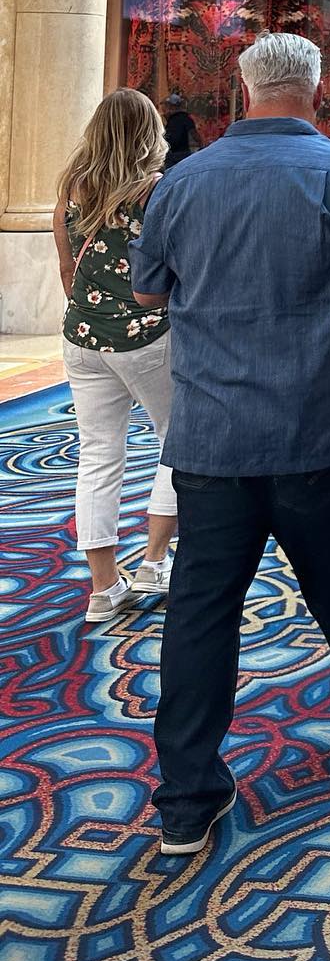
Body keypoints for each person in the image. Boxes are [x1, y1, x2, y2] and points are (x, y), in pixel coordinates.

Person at [130, 32, 330, 858]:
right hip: (317, 428)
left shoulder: (182, 180)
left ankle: (186, 797)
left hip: (212, 437)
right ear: (317, 89)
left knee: (201, 610)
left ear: (243, 89)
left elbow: (148, 290)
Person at [52, 89, 176, 624]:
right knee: (177, 438)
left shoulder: (71, 189)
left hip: (81, 337)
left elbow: (67, 271)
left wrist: (94, 315)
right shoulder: (155, 192)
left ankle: (104, 587)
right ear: (149, 135)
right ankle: (153, 562)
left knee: (98, 455)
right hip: (146, 337)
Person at [161, 93, 199, 170]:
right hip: (182, 153)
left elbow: (194, 134)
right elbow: (194, 134)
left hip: (176, 153)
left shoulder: (174, 120)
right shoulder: (184, 118)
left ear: (172, 106)